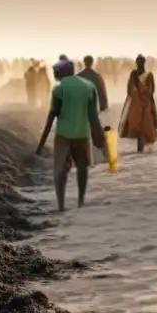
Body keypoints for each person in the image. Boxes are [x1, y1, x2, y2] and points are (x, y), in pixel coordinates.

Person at [36, 59, 105, 211]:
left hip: (63, 136)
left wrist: (41, 144)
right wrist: (100, 139)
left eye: (56, 71)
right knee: (82, 168)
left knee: (60, 170)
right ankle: (80, 203)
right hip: (82, 134)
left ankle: (61, 206)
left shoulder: (58, 90)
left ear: (63, 72)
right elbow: (93, 116)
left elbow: (52, 115)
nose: (54, 73)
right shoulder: (88, 87)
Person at [119, 56, 157, 153]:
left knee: (145, 127)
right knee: (140, 128)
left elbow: (151, 90)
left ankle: (141, 152)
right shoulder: (134, 74)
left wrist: (140, 92)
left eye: (141, 62)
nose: (139, 63)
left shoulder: (148, 75)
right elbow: (131, 89)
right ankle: (141, 152)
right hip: (138, 106)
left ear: (144, 63)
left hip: (144, 106)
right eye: (138, 62)